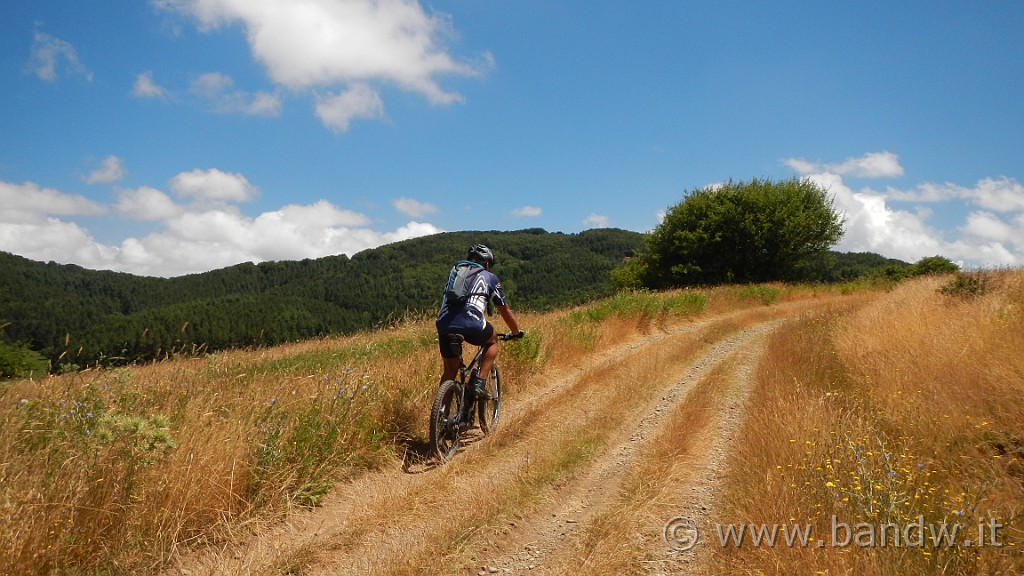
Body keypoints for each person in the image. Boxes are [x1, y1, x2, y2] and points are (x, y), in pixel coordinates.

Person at [436, 244, 523, 400]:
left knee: (450, 372)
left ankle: (442, 418)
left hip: (444, 323)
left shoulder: (455, 275)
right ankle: (479, 383)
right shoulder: (489, 277)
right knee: (492, 340)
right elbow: (504, 310)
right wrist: (515, 332)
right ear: (487, 263)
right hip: (472, 323)